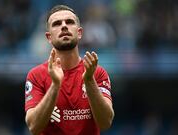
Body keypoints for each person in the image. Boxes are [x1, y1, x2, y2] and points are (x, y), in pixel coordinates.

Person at [24, 5, 114, 135]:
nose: (64, 26)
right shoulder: (36, 75)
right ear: (49, 37)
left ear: (79, 33)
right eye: (57, 24)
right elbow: (33, 127)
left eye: (69, 22)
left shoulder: (96, 73)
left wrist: (89, 81)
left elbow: (105, 123)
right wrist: (55, 85)